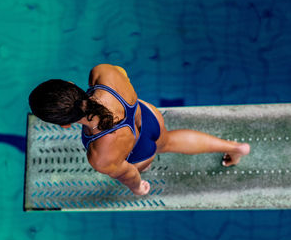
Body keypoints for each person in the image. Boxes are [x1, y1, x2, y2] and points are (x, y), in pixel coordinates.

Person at [29, 64, 250, 196]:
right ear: (71, 83)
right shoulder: (102, 74)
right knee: (170, 141)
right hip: (148, 116)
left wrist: (137, 188)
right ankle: (235, 147)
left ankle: (235, 147)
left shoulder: (100, 156)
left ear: (64, 124)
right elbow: (123, 75)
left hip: (139, 151)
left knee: (152, 155)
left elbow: (128, 174)